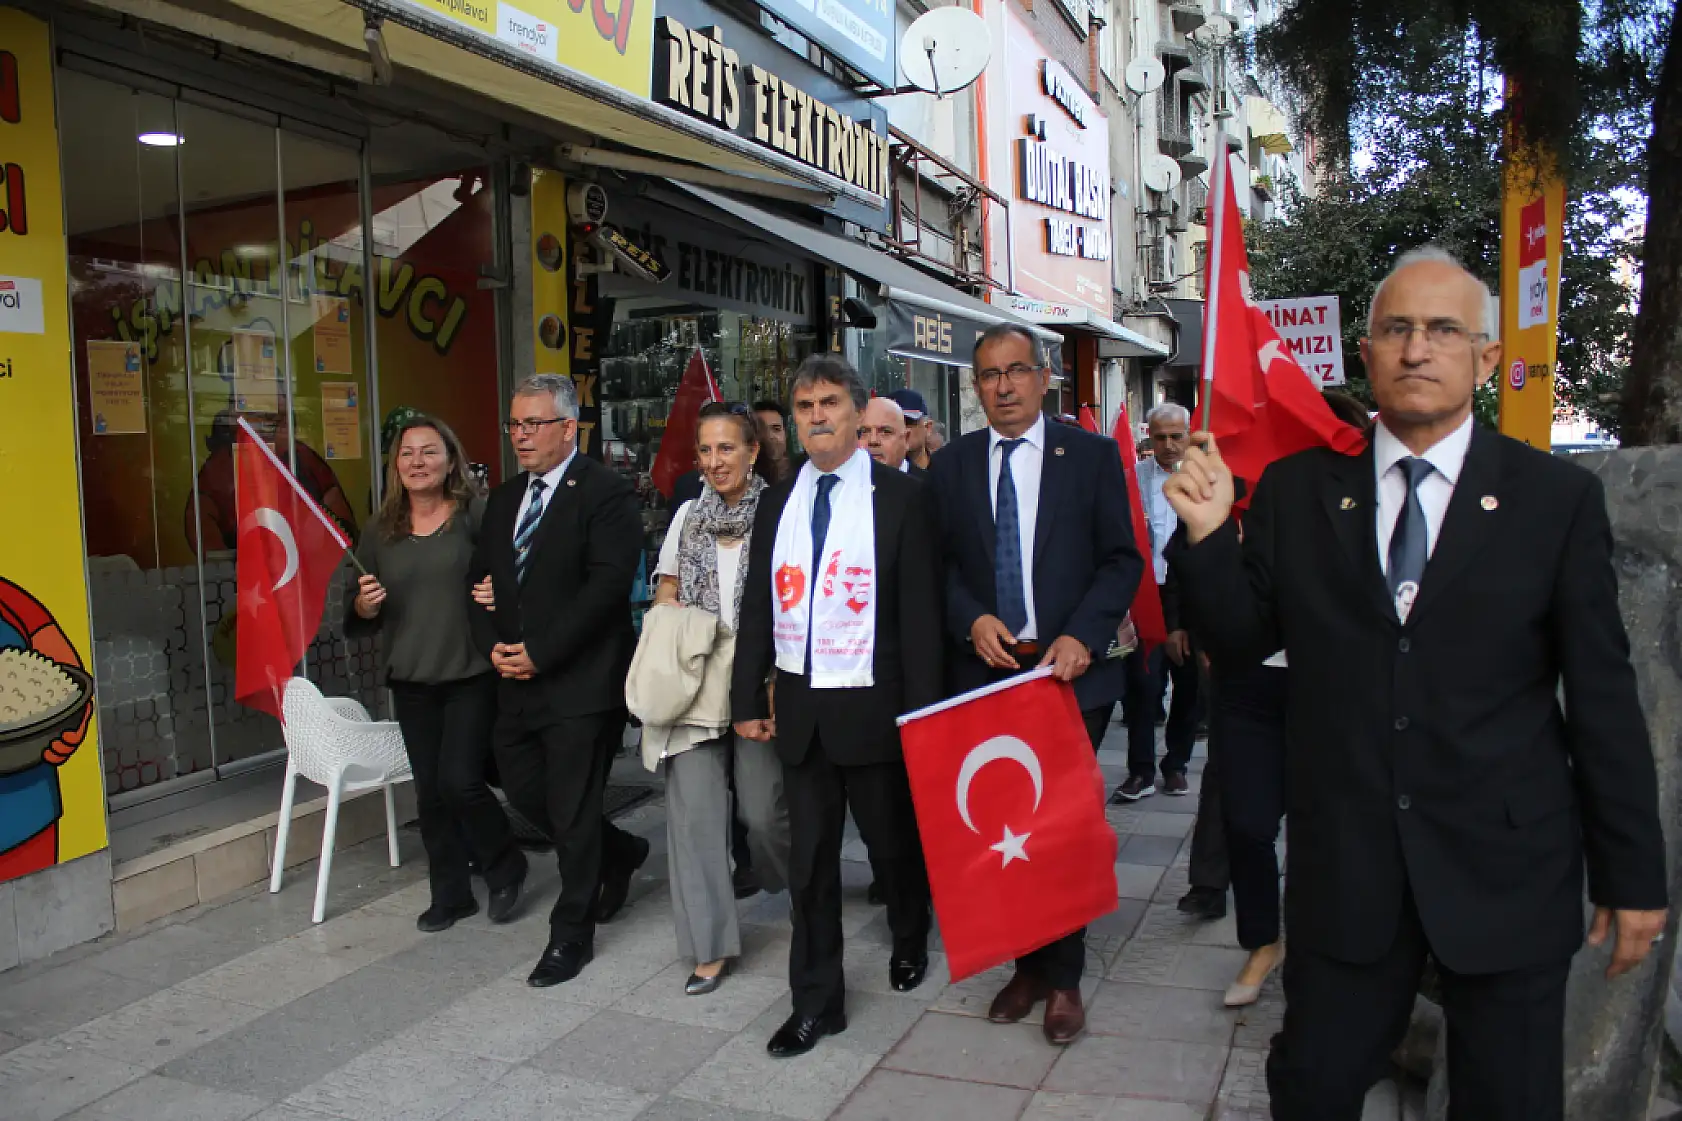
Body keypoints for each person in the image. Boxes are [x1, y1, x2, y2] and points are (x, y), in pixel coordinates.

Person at [1165, 247, 1668, 1119]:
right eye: (1397, 328)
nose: (1417, 348)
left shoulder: (1553, 501)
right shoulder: (1296, 492)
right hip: (1348, 874)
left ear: (1482, 355)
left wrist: (1634, 874)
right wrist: (1208, 540)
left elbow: (1602, 697)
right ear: (1367, 354)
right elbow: (1243, 644)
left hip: (1506, 874)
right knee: (1313, 1089)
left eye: (1442, 329)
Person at [926, 323, 1141, 1046]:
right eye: (989, 375)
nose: (1004, 386)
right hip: (990, 676)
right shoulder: (951, 466)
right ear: (975, 385)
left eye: (1017, 371)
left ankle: (1066, 976)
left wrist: (1083, 632)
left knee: (1060, 829)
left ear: (1045, 377)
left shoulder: (1090, 456)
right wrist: (970, 619)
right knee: (1005, 824)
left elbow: (1121, 559)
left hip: (1069, 675)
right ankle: (1026, 965)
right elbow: (940, 569)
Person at [731, 355, 942, 1058]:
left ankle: (910, 934)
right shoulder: (778, 499)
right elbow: (759, 604)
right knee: (811, 866)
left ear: (857, 411)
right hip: (802, 709)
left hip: (877, 710)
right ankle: (817, 1001)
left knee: (893, 847)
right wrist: (744, 695)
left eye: (828, 402)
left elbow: (919, 619)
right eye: (804, 405)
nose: (817, 415)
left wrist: (923, 716)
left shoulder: (901, 497)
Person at [470, 374, 651, 988]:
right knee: (524, 791)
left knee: (572, 809)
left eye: (533, 424)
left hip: (580, 681)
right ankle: (620, 852)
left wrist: (540, 652)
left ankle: (570, 935)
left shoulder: (605, 493)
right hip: (515, 682)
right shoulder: (502, 499)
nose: (520, 436)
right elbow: (478, 584)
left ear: (568, 428)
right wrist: (494, 645)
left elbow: (605, 589)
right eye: (514, 424)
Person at [349, 415, 525, 933]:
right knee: (429, 793)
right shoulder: (380, 530)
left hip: (471, 670)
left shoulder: (475, 515)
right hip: (412, 677)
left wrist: (500, 594)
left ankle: (503, 863)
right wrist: (363, 604)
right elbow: (358, 613)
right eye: (408, 453)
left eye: (429, 452)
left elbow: (512, 575)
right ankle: (450, 894)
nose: (418, 462)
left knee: (461, 781)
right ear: (395, 464)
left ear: (450, 460)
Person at [640, 402, 792, 995]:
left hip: (760, 673)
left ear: (753, 451)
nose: (714, 461)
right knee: (695, 815)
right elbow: (667, 591)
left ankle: (795, 877)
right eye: (705, 450)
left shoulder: (779, 512)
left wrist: (780, 679)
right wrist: (668, 619)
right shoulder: (686, 518)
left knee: (763, 812)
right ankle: (708, 947)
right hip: (696, 676)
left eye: (727, 448)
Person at [1115, 403, 1201, 802]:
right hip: (1146, 594)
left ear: (1188, 434)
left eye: (1176, 436)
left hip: (1192, 597)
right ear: (1149, 435)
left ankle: (1177, 764)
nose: (1168, 445)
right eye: (1160, 436)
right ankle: (1141, 770)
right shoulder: (1132, 479)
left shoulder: (1206, 481)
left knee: (1188, 686)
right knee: (1143, 687)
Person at [858, 396, 919, 476]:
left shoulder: (929, 486)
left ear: (906, 439)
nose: (873, 441)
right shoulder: (841, 484)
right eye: (864, 432)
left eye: (885, 432)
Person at [888, 388, 934, 470]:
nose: (902, 430)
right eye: (890, 425)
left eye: (907, 422)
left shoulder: (946, 472)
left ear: (927, 428)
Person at [755, 399, 794, 482]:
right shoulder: (743, 478)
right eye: (762, 430)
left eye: (776, 429)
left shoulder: (803, 472)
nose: (769, 436)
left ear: (785, 433)